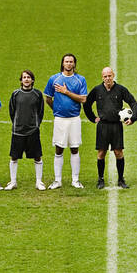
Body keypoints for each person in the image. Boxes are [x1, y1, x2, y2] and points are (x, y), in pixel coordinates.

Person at [83, 66, 137, 189]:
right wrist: (93, 118)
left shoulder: (121, 89)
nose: (108, 78)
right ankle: (100, 179)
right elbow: (87, 104)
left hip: (116, 126)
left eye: (110, 76)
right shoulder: (97, 90)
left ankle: (121, 179)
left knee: (119, 152)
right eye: (105, 76)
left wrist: (133, 117)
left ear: (113, 75)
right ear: (102, 77)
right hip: (102, 126)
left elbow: (133, 102)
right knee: (101, 153)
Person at [43, 54, 89, 188]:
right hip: (60, 119)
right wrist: (56, 110)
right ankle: (58, 180)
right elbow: (48, 98)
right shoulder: (54, 79)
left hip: (74, 119)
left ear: (74, 64)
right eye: (66, 61)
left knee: (74, 148)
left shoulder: (80, 80)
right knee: (59, 149)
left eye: (71, 62)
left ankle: (75, 180)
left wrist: (66, 92)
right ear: (63, 64)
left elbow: (83, 99)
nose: (69, 64)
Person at [7, 70, 46, 190]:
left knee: (37, 156)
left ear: (32, 80)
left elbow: (41, 112)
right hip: (18, 131)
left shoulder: (37, 94)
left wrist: (36, 125)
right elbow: (12, 111)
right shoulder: (15, 94)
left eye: (29, 77)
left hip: (33, 131)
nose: (26, 79)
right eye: (24, 77)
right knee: (14, 157)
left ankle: (39, 182)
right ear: (21, 80)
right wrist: (17, 123)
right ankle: (13, 182)